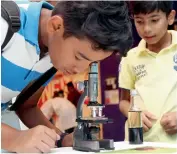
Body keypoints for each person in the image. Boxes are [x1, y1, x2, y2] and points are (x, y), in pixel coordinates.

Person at [1, 1, 133, 153]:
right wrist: (16, 138)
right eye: (78, 57)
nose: (81, 68)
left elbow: (27, 107)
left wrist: (62, 139)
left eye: (91, 62)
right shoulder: (4, 24)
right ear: (56, 26)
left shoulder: (52, 50)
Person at [119, 1, 177, 143]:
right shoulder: (130, 57)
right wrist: (134, 114)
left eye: (154, 20)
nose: (147, 29)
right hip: (140, 143)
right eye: (139, 21)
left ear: (170, 17)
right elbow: (123, 102)